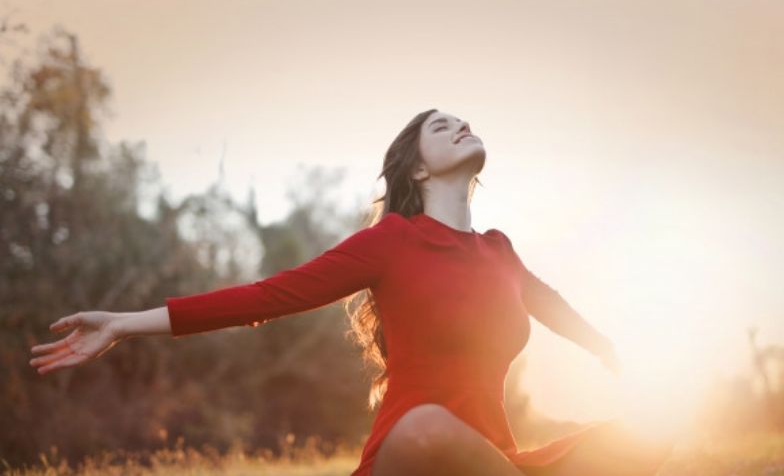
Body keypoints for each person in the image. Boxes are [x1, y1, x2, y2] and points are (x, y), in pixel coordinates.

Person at [30, 109, 674, 475]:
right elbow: (264, 296)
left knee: (639, 445)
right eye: (442, 125)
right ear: (418, 167)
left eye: (465, 121)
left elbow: (548, 302)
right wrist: (124, 323)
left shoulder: (498, 250)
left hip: (492, 460)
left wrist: (605, 346)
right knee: (427, 427)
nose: (461, 125)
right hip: (413, 456)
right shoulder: (391, 241)